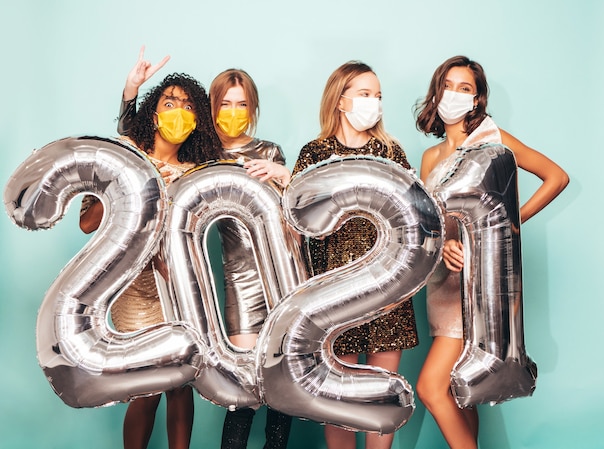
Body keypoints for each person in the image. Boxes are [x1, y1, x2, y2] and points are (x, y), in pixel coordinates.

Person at [117, 48, 293, 449]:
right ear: (209, 111)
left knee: (282, 380)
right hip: (236, 281)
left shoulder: (268, 151)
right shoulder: (204, 154)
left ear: (252, 108)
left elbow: (297, 210)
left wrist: (285, 175)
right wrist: (132, 89)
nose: (233, 112)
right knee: (241, 384)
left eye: (241, 104)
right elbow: (135, 138)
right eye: (224, 104)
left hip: (283, 271)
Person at [413, 55, 569, 449]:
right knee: (463, 387)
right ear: (436, 91)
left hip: (480, 284)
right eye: (448, 85)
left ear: (477, 99)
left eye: (464, 88)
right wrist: (443, 243)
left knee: (431, 388)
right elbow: (430, 223)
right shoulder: (430, 157)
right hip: (442, 285)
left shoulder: (491, 139)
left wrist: (511, 226)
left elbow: (557, 176)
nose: (454, 94)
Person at [80, 70, 222, 449]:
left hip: (180, 287)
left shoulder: (197, 173)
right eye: (169, 103)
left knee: (182, 382)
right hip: (135, 289)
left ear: (197, 122)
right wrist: (141, 182)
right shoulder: (125, 157)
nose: (179, 112)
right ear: (154, 114)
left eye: (189, 106)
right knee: (147, 385)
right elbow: (87, 222)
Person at [291, 61, 419, 449]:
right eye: (365, 94)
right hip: (333, 292)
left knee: (382, 398)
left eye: (378, 96)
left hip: (387, 289)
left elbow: (414, 217)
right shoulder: (314, 153)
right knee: (340, 399)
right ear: (341, 100)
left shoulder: (391, 153)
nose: (374, 103)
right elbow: (295, 222)